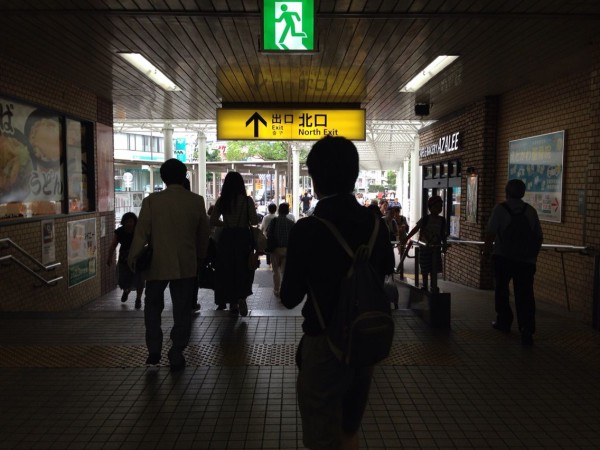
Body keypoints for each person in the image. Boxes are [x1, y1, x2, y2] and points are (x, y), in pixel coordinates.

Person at [280, 136, 394, 450]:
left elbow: (289, 296)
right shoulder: (376, 226)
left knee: (321, 436)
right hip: (364, 342)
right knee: (348, 430)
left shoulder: (307, 229)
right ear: (354, 174)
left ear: (314, 179)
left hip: (324, 344)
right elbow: (382, 274)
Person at [128, 159, 209, 370]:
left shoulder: (152, 201)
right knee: (182, 309)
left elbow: (141, 232)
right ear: (184, 177)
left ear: (163, 178)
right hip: (186, 264)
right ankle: (176, 351)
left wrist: (132, 257)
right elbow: (203, 235)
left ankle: (154, 349)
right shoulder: (196, 201)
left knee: (153, 306)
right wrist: (200, 257)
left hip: (157, 264)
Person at [482, 179, 543, 346]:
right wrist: (532, 256)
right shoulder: (530, 211)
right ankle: (527, 328)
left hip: (503, 257)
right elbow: (538, 236)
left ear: (506, 192)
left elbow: (490, 233)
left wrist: (486, 253)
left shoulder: (500, 209)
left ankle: (504, 321)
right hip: (526, 261)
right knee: (525, 294)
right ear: (523, 193)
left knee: (502, 290)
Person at [209, 171, 258, 317]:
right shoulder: (247, 200)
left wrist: (225, 224)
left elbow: (212, 220)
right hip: (243, 237)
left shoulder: (222, 200)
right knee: (244, 268)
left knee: (227, 270)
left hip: (227, 238)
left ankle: (232, 303)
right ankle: (241, 296)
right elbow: (254, 221)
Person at [404, 195, 447, 291]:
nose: (439, 208)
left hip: (435, 248)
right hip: (425, 247)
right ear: (430, 207)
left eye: (440, 206)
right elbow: (416, 229)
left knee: (434, 268)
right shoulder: (425, 219)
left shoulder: (442, 220)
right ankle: (424, 284)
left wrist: (444, 244)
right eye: (437, 206)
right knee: (425, 268)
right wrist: (407, 238)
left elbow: (443, 234)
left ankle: (433, 285)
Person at [107, 212, 144, 309]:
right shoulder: (120, 231)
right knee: (124, 279)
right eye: (127, 222)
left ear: (135, 222)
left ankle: (138, 299)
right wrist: (109, 257)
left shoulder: (139, 231)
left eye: (131, 221)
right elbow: (113, 244)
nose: (129, 224)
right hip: (124, 260)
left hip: (138, 259)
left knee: (139, 280)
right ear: (124, 222)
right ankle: (126, 291)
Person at [266, 202, 294, 297]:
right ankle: (283, 290)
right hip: (287, 250)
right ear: (287, 211)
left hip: (275, 250)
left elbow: (268, 233)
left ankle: (276, 290)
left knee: (276, 271)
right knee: (284, 272)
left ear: (279, 210)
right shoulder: (291, 223)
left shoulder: (274, 221)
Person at [260, 203, 278, 268]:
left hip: (266, 236)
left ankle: (268, 262)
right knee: (274, 249)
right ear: (276, 209)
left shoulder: (265, 217)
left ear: (268, 209)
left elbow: (262, 227)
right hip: (275, 236)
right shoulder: (277, 217)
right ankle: (274, 262)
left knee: (268, 249)